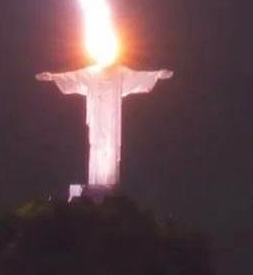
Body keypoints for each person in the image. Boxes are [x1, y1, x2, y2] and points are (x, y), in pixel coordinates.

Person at [36, 65, 173, 187]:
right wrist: (52, 77)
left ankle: (109, 182)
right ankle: (95, 182)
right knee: (97, 148)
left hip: (112, 119)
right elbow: (73, 78)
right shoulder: (91, 73)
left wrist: (157, 74)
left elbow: (138, 77)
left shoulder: (119, 72)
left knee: (109, 148)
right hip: (98, 119)